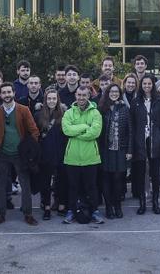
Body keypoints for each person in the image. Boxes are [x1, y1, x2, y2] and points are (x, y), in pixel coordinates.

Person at [0, 83, 40, 226]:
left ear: (14, 93)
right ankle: (0, 214)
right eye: (4, 92)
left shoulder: (23, 110)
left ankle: (28, 214)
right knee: (0, 185)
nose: (7, 95)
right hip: (2, 153)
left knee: (25, 184)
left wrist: (30, 149)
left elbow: (34, 131)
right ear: (0, 94)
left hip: (20, 154)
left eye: (9, 92)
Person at [62, 85, 104, 224]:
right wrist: (85, 127)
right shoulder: (68, 113)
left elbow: (95, 133)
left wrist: (77, 132)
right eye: (79, 95)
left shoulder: (95, 113)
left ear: (89, 96)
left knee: (91, 187)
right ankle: (71, 211)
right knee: (72, 187)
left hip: (90, 157)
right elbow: (67, 130)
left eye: (84, 95)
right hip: (72, 158)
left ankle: (94, 211)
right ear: (76, 96)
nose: (81, 98)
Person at [131, 74, 160, 215]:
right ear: (141, 86)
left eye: (149, 84)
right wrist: (135, 139)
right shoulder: (136, 102)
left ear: (153, 85)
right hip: (140, 141)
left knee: (155, 174)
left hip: (155, 141)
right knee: (141, 173)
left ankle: (155, 202)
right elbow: (132, 123)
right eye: (144, 84)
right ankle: (142, 203)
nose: (147, 86)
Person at [98, 83, 131, 218]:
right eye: (111, 91)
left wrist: (129, 150)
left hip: (120, 149)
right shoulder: (101, 109)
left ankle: (117, 205)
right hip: (105, 149)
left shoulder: (124, 108)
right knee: (106, 179)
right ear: (107, 93)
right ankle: (108, 207)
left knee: (118, 179)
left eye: (116, 92)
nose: (114, 93)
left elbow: (130, 130)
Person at [35, 89, 67, 219]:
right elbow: (35, 135)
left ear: (58, 100)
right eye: (49, 98)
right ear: (45, 100)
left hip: (61, 152)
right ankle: (46, 206)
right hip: (45, 153)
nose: (52, 101)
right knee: (45, 183)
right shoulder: (38, 115)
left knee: (61, 181)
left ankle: (61, 204)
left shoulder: (64, 114)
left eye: (54, 98)